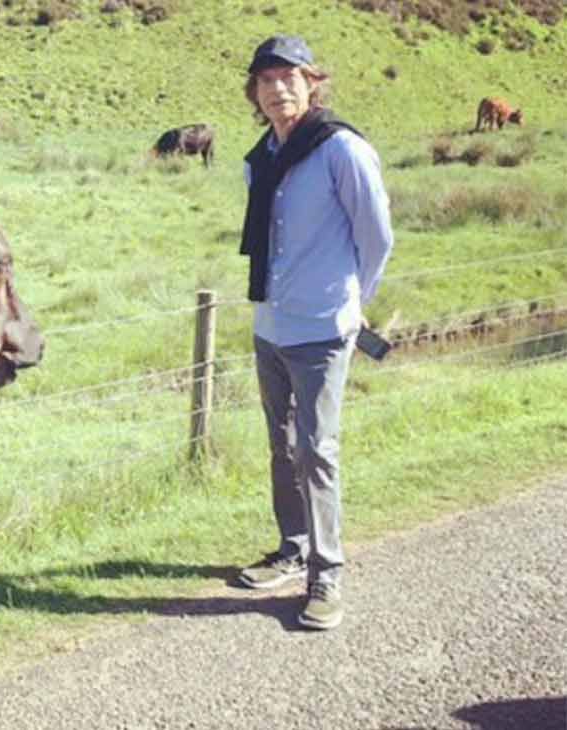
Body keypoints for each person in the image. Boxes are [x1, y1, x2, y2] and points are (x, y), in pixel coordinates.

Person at [233, 35, 394, 631]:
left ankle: (327, 575)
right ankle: (292, 546)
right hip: (271, 323)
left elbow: (376, 237)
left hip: (324, 327)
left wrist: (354, 302)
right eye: (265, 80)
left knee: (317, 450)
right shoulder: (259, 159)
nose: (277, 89)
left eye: (288, 77)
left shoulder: (341, 150)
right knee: (281, 444)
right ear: (254, 93)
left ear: (311, 83)